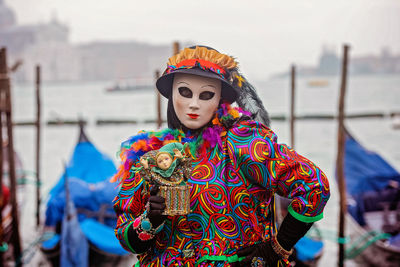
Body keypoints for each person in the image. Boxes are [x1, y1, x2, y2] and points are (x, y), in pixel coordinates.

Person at [112, 46, 330, 266]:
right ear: (171, 94)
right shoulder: (151, 154)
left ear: (220, 100)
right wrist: (150, 220)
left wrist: (275, 248)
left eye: (206, 95)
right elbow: (125, 237)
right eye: (185, 92)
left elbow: (314, 186)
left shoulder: (242, 144)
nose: (194, 104)